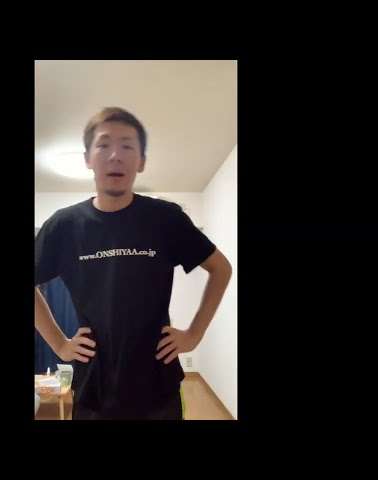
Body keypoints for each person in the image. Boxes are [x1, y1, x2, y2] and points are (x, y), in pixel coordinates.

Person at [34, 107, 232, 420]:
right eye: (103, 145)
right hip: (94, 385)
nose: (115, 155)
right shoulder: (64, 226)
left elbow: (221, 269)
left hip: (157, 381)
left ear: (141, 161)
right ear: (87, 159)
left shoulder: (166, 218)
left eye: (127, 146)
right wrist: (60, 344)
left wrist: (195, 333)